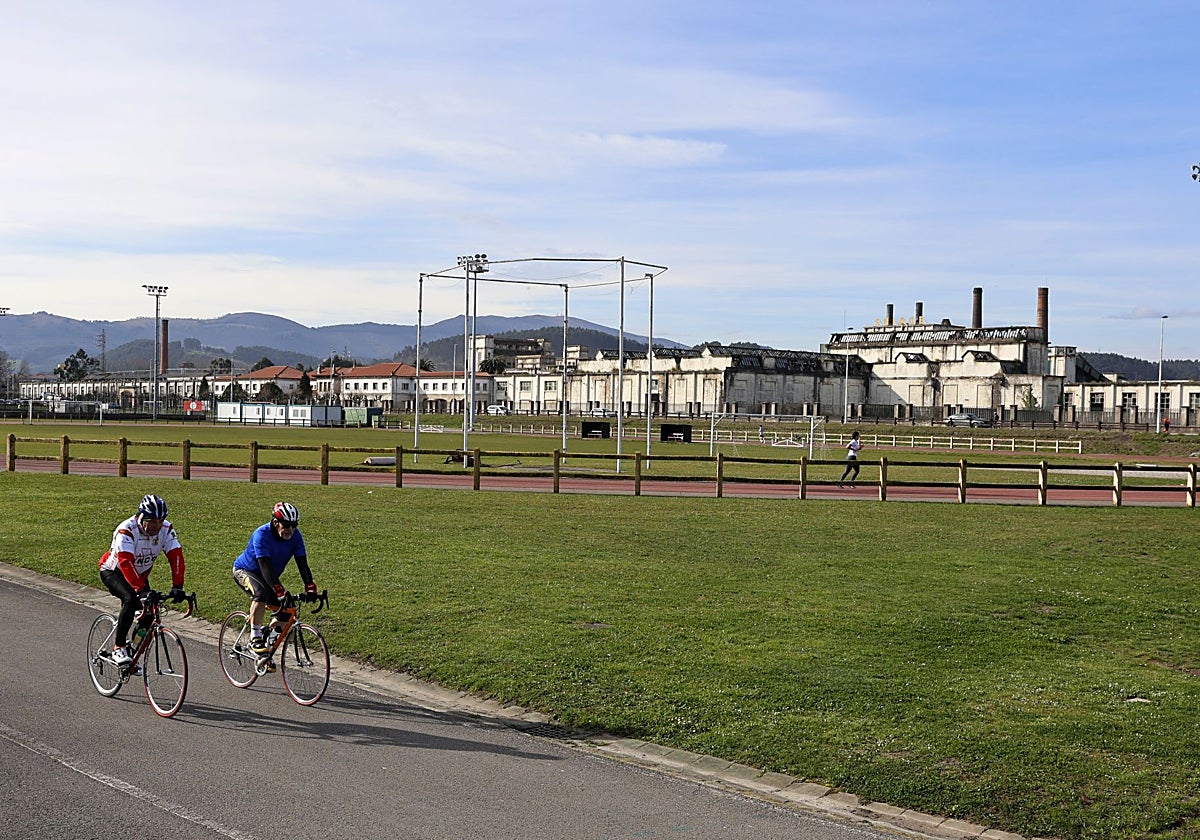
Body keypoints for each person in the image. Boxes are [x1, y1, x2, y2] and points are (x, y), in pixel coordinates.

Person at [98, 494, 187, 667]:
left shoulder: (166, 530)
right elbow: (125, 562)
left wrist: (178, 586)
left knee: (150, 613)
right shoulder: (126, 530)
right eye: (152, 522)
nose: (157, 526)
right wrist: (141, 590)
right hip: (114, 572)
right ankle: (119, 647)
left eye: (160, 521)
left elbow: (176, 557)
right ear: (141, 517)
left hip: (138, 576)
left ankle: (133, 651)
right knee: (130, 599)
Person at [232, 502, 319, 658]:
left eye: (294, 525)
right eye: (286, 525)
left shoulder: (296, 536)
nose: (291, 530)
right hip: (245, 571)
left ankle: (267, 642)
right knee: (261, 593)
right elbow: (264, 566)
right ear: (275, 522)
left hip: (269, 577)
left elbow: (302, 564)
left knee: (288, 610)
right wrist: (279, 591)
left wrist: (310, 586)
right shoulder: (262, 534)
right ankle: (255, 637)